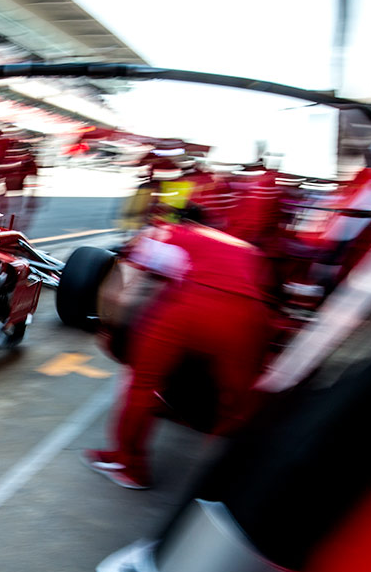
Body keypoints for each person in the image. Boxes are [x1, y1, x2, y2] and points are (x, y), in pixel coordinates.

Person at [82, 203, 275, 490]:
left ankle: (130, 465)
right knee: (240, 404)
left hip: (192, 308)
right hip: (249, 318)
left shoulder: (166, 232)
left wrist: (111, 330)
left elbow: (121, 294)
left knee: (142, 385)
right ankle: (237, 481)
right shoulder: (243, 247)